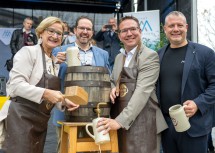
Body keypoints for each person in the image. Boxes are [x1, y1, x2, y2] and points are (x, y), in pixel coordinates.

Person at [3, 16, 79, 153]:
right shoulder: (28, 52)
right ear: (41, 32)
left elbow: (49, 94)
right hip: (20, 118)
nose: (55, 36)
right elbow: (15, 85)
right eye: (51, 31)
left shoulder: (54, 62)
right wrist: (46, 93)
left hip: (40, 122)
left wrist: (63, 101)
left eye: (59, 33)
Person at [96, 16, 168, 153]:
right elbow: (113, 80)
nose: (129, 34)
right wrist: (112, 88)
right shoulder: (119, 57)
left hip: (145, 122)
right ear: (119, 35)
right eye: (124, 31)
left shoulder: (149, 56)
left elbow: (142, 91)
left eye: (133, 29)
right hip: (123, 120)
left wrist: (120, 121)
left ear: (140, 31)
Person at [157, 11, 215, 153]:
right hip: (167, 126)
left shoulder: (205, 53)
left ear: (186, 27)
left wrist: (198, 103)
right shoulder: (158, 55)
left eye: (180, 25)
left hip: (194, 126)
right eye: (171, 26)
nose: (175, 29)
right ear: (165, 29)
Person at [52, 16, 110, 153]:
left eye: (88, 29)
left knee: (94, 149)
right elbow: (51, 79)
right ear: (75, 30)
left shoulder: (103, 54)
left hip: (96, 113)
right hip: (67, 111)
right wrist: (55, 63)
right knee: (66, 148)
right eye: (82, 28)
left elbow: (108, 80)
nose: (85, 31)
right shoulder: (59, 50)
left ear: (92, 32)